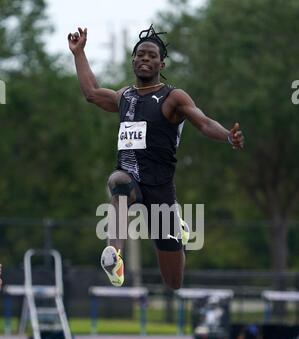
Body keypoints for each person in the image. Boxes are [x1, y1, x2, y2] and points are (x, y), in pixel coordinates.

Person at [68, 25, 244, 289]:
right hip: (131, 181)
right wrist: (79, 53)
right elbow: (92, 93)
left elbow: (204, 122)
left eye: (152, 56)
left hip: (160, 189)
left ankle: (177, 227)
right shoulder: (124, 96)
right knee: (118, 181)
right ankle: (114, 257)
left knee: (173, 281)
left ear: (161, 63)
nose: (145, 59)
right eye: (140, 55)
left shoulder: (172, 97)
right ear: (133, 61)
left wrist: (227, 136)